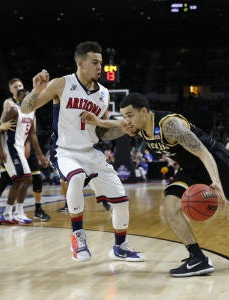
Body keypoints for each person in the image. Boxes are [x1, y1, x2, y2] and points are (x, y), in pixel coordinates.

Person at [113, 92, 229, 277]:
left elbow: (204, 153)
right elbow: (113, 125)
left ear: (143, 111)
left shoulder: (169, 125)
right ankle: (197, 258)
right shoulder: (138, 127)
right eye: (124, 116)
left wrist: (216, 182)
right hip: (191, 169)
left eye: (129, 115)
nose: (126, 121)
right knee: (168, 207)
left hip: (215, 161)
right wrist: (95, 122)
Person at [21, 41, 145, 262]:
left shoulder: (104, 94)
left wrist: (121, 129)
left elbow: (101, 132)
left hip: (92, 152)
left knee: (122, 201)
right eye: (95, 62)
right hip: (65, 151)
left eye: (101, 62)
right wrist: (36, 90)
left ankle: (120, 247)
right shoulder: (62, 84)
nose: (100, 67)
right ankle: (78, 236)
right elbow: (26, 109)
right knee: (76, 177)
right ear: (81, 63)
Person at [0, 78, 50, 225]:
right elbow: (2, 130)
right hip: (10, 147)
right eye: (24, 98)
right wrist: (0, 149)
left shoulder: (31, 113)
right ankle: (17, 212)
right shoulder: (13, 109)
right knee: (25, 178)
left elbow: (32, 135)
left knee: (20, 180)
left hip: (19, 148)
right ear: (19, 99)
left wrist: (40, 155)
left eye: (29, 98)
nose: (28, 101)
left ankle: (7, 213)